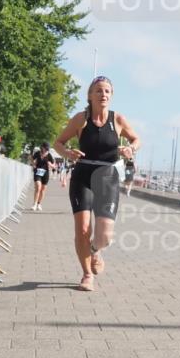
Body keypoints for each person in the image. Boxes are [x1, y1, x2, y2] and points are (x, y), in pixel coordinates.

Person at [54, 76, 140, 292]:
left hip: (107, 177)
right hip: (83, 175)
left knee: (105, 236)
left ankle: (94, 250)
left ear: (111, 96)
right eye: (99, 91)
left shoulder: (118, 120)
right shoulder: (80, 120)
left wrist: (131, 149)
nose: (103, 95)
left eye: (107, 91)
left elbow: (136, 139)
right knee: (83, 229)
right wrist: (67, 153)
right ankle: (86, 274)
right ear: (90, 96)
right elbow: (58, 142)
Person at [30, 142, 54, 211]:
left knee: (43, 190)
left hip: (45, 173)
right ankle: (34, 204)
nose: (46, 150)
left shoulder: (49, 155)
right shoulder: (37, 153)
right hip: (37, 172)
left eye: (47, 149)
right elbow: (31, 158)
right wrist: (33, 164)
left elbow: (54, 165)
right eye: (45, 148)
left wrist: (50, 165)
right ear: (42, 147)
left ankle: (39, 204)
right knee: (38, 187)